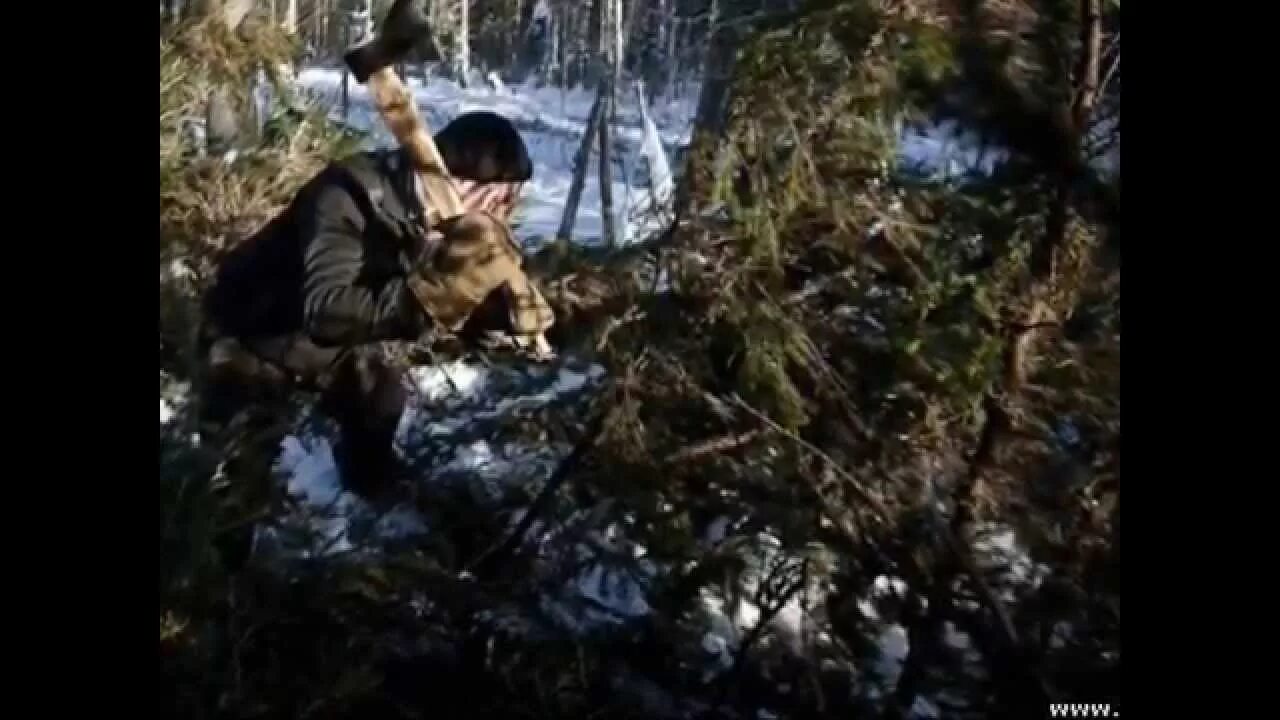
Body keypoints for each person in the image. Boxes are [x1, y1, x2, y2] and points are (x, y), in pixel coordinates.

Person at [198, 111, 547, 499]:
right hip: (254, 330)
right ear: (457, 183)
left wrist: (491, 313)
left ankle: (370, 498)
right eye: (497, 198)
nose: (503, 213)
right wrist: (424, 302)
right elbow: (327, 309)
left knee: (381, 397)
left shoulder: (439, 218)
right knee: (232, 484)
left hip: (328, 339)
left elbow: (436, 294)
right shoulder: (347, 194)